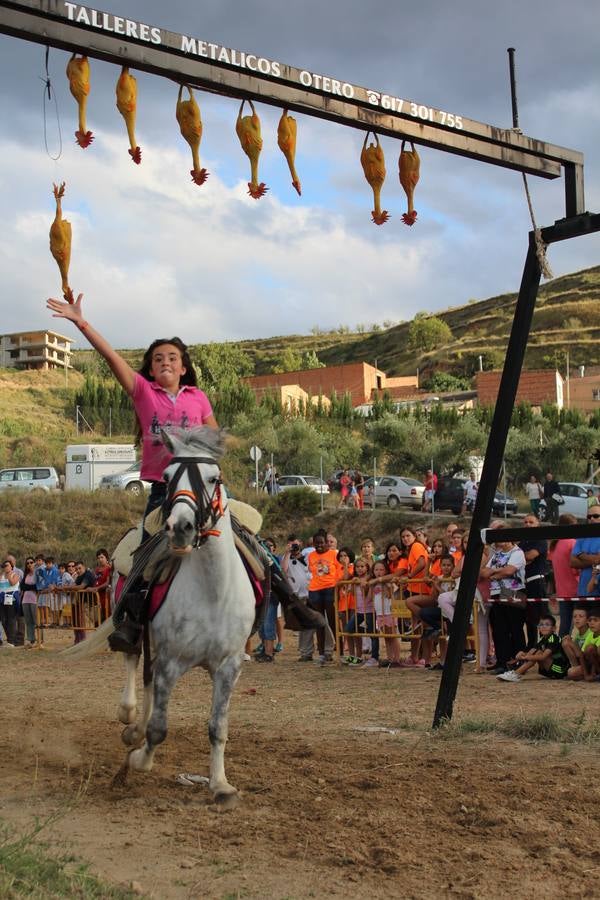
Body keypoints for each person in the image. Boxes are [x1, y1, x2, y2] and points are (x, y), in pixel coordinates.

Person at [48, 292, 218, 654]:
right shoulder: (143, 391)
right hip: (162, 490)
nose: (165, 362)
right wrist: (81, 323)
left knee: (248, 538)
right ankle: (132, 621)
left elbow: (214, 439)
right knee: (145, 555)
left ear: (184, 367)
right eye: (158, 359)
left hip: (201, 488)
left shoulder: (199, 398)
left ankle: (279, 595)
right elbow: (110, 357)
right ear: (151, 370)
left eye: (173, 357)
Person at [481, 534, 527, 676]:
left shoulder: (517, 553)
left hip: (513, 592)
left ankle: (518, 660)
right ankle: (502, 661)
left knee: (515, 628)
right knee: (499, 629)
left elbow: (510, 571)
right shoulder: (497, 554)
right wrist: (499, 572)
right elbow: (483, 572)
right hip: (496, 592)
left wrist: (494, 572)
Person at [497, 614, 569, 682]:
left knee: (539, 654)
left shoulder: (554, 639)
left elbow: (543, 657)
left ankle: (516, 673)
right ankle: (517, 670)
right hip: (549, 669)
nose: (544, 627)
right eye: (541, 624)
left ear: (553, 628)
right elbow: (532, 651)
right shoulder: (542, 639)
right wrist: (521, 655)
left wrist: (526, 657)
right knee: (535, 652)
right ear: (539, 627)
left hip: (560, 671)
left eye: (547, 624)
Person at [307, 532, 339, 665]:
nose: (319, 545)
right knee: (319, 622)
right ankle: (321, 653)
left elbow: (340, 569)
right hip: (315, 590)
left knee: (332, 621)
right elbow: (312, 570)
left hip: (330, 588)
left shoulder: (334, 554)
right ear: (313, 543)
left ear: (327, 542)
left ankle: (339, 651)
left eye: (322, 542)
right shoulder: (311, 555)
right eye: (316, 543)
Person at [548, 513, 579, 637]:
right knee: (583, 623)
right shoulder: (572, 543)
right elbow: (575, 568)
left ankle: (560, 652)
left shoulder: (555, 544)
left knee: (565, 625)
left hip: (562, 590)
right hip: (575, 588)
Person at [520, 514, 548, 649]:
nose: (528, 524)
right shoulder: (522, 542)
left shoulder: (540, 539)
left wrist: (520, 558)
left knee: (542, 616)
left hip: (537, 581)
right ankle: (532, 645)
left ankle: (546, 645)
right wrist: (523, 558)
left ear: (538, 523)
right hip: (524, 584)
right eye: (525, 522)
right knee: (529, 618)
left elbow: (530, 556)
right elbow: (522, 558)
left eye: (531, 522)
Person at [370, 560, 401, 668]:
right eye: (376, 569)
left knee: (393, 636)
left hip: (389, 612)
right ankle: (390, 658)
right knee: (386, 637)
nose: (378, 572)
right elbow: (370, 597)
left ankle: (396, 659)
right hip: (379, 614)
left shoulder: (389, 582)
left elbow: (392, 593)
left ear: (386, 571)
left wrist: (387, 584)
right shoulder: (373, 583)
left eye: (381, 569)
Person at [570, 504, 600, 608]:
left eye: (596, 516)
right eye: (589, 516)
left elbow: (598, 559)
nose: (592, 519)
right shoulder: (583, 535)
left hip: (598, 591)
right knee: (581, 624)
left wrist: (581, 555)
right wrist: (594, 559)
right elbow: (572, 562)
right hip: (583, 591)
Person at [561, 604, 592, 680]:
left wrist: (571, 642)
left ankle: (581, 673)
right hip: (582, 664)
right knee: (565, 641)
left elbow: (582, 654)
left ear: (587, 620)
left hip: (591, 665)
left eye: (581, 616)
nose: (577, 619)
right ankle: (576, 668)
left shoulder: (590, 632)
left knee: (571, 672)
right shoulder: (578, 634)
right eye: (575, 617)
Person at [0, 560, 20, 648]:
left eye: (7, 565)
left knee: (11, 619)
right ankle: (9, 639)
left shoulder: (15, 575)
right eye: (4, 566)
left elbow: (12, 583)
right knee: (3, 620)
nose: (5, 567)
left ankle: (12, 641)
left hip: (11, 599)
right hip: (2, 599)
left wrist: (8, 575)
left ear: (11, 566)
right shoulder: (1, 576)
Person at [20, 557, 39, 647]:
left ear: (34, 563)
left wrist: (29, 587)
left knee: (36, 620)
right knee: (28, 621)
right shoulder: (26, 575)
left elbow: (37, 587)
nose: (29, 564)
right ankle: (31, 639)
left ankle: (39, 639)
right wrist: (30, 586)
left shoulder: (37, 574)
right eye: (27, 563)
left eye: (31, 562)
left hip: (35, 600)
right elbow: (22, 586)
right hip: (25, 600)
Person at [581, 606, 600, 681]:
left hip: (596, 665)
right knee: (572, 673)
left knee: (592, 648)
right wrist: (586, 674)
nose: (592, 623)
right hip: (594, 665)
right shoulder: (590, 635)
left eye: (595, 620)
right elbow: (582, 655)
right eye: (590, 620)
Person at [94, 549, 112, 623]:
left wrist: (97, 588)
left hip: (106, 598)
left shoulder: (109, 568)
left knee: (107, 618)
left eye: (102, 557)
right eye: (98, 558)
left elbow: (108, 582)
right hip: (98, 598)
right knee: (98, 621)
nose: (100, 559)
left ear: (106, 557)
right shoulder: (97, 570)